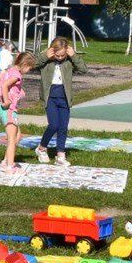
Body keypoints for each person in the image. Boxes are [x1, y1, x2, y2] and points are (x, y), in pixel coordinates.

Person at [33, 38, 87, 167]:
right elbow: (33, 65)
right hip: (50, 97)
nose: (60, 57)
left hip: (64, 98)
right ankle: (41, 148)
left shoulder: (68, 61)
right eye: (57, 55)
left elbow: (83, 69)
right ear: (52, 51)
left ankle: (60, 155)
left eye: (63, 55)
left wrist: (74, 56)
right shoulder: (46, 60)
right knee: (53, 125)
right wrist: (45, 56)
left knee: (63, 127)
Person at [0, 51, 35, 172]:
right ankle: (10, 165)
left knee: (17, 135)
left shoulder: (10, 71)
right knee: (12, 139)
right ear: (24, 64)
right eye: (29, 68)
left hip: (3, 108)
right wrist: (7, 100)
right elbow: (5, 86)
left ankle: (6, 160)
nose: (29, 70)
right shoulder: (17, 75)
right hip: (9, 110)